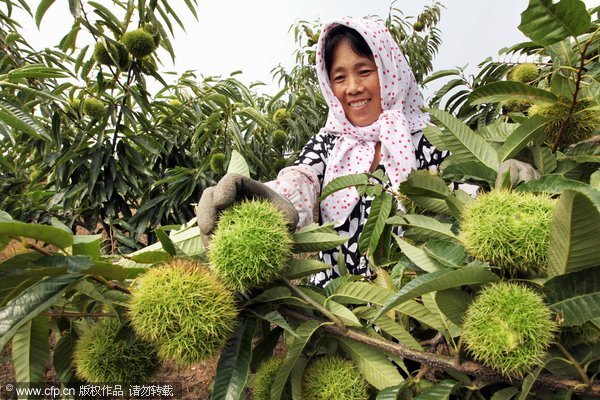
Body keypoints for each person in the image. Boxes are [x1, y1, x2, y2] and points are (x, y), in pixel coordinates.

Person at [196, 17, 537, 287]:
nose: (353, 88)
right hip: (336, 308)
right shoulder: (330, 142)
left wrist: (500, 182)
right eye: (339, 77)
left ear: (388, 72)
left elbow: (461, 195)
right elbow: (300, 180)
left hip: (415, 309)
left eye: (364, 71)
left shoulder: (431, 139)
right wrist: (264, 199)